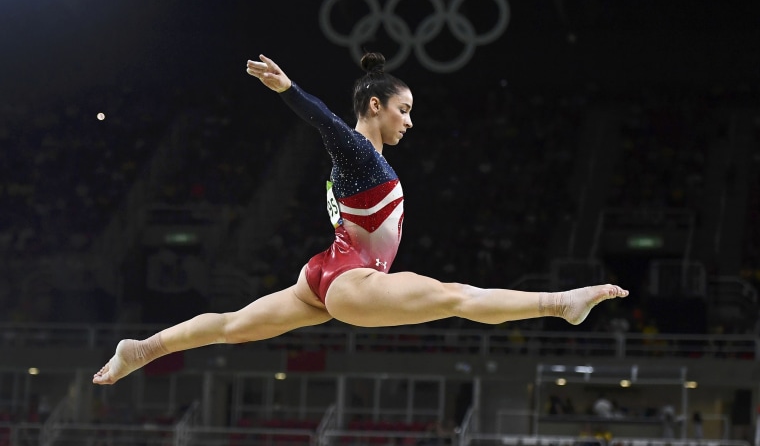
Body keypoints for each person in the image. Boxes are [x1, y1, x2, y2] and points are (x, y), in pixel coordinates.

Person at [93, 52, 629, 385]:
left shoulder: (358, 163)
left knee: (233, 328)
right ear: (374, 105)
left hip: (323, 273)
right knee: (457, 297)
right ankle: (561, 303)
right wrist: (289, 91)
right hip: (350, 281)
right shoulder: (358, 151)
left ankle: (143, 349)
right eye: (404, 109)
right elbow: (327, 125)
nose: (410, 120)